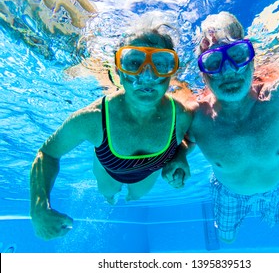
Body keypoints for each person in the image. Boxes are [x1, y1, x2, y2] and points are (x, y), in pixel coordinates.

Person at [162, 11, 279, 243]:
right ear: (203, 72)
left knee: (275, 224)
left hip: (277, 186)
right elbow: (189, 139)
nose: (228, 71)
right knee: (227, 238)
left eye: (237, 55)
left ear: (251, 57)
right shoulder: (195, 116)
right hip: (227, 192)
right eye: (213, 62)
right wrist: (180, 154)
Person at [30, 22, 192, 240]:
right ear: (118, 69)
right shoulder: (94, 118)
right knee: (108, 193)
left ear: (171, 71)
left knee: (135, 196)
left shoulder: (181, 114)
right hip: (108, 171)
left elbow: (193, 137)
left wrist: (181, 154)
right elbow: (47, 153)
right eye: (134, 62)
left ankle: (126, 197)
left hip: (148, 174)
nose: (147, 76)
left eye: (160, 64)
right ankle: (110, 198)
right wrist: (38, 208)